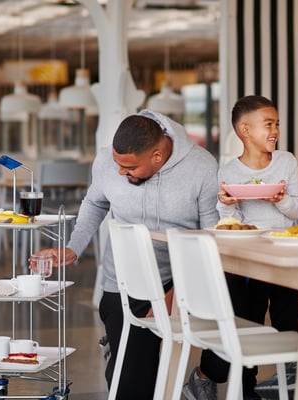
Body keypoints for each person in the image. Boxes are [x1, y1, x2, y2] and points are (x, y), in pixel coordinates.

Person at [32, 111, 219, 399]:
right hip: (122, 282)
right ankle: (121, 348)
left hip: (177, 280)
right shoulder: (109, 161)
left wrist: (176, 297)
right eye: (118, 164)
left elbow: (210, 238)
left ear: (157, 156)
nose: (120, 172)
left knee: (228, 326)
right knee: (134, 384)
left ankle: (134, 353)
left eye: (129, 167)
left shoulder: (202, 168)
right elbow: (95, 203)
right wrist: (72, 248)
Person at [182, 95, 298, 400]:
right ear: (244, 130)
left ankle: (291, 380)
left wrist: (282, 200)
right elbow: (231, 223)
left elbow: (297, 211)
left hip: (283, 253)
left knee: (288, 317)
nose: (275, 130)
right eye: (268, 124)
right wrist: (226, 205)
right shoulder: (228, 172)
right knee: (246, 319)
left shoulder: (286, 161)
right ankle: (244, 388)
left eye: (276, 123)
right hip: (248, 256)